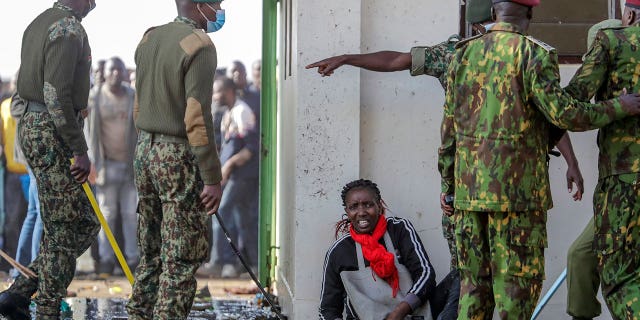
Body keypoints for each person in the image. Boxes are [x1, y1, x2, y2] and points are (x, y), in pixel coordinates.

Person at [305, 0, 585, 273]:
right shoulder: (475, 53)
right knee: (487, 273)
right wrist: (347, 58)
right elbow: (397, 60)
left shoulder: (478, 53)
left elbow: (546, 113)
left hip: (478, 184)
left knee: (475, 274)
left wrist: (347, 58)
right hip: (501, 187)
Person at [439, 0, 640, 318]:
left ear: (494, 12)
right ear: (530, 14)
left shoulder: (462, 54)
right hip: (517, 199)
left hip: (468, 196)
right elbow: (564, 114)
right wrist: (620, 107)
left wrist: (449, 185)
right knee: (515, 294)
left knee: (474, 291)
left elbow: (448, 128)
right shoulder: (534, 53)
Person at [0, 0, 100, 318]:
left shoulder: (39, 22)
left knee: (84, 222)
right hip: (52, 131)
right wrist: (79, 149)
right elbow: (55, 95)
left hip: (37, 127)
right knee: (64, 227)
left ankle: (19, 291)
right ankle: (47, 306)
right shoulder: (68, 28)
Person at [125, 0, 224, 317]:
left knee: (152, 250)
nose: (219, 11)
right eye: (217, 5)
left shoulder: (149, 37)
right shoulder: (200, 45)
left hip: (145, 150)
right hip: (176, 155)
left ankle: (139, 314)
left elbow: (139, 104)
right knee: (180, 258)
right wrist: (211, 176)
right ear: (201, 5)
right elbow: (197, 117)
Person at [564, 1, 640, 317]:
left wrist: (615, 107)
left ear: (631, 15)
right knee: (581, 256)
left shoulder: (612, 42)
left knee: (621, 278)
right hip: (624, 189)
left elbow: (567, 108)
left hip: (626, 184)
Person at [319, 179, 459, 320]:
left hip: (414, 314)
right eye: (354, 207)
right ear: (347, 212)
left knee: (462, 275)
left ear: (379, 206)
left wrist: (398, 313)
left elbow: (425, 274)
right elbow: (328, 309)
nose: (361, 212)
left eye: (368, 205)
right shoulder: (339, 251)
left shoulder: (398, 229)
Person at [85, 56, 138, 278]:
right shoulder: (95, 97)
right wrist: (91, 163)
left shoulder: (133, 96)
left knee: (130, 215)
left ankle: (133, 260)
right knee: (107, 216)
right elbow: (88, 133)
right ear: (105, 73)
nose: (116, 73)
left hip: (129, 167)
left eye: (119, 69)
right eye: (112, 69)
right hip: (105, 166)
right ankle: (106, 261)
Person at [212, 76, 259, 278]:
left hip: (243, 175)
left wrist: (229, 165)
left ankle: (223, 262)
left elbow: (251, 148)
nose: (214, 96)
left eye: (217, 92)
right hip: (233, 176)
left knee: (223, 212)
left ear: (228, 91)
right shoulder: (228, 113)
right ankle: (252, 265)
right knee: (244, 220)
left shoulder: (242, 112)